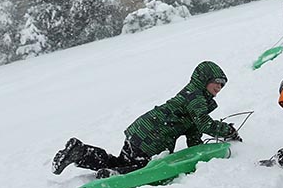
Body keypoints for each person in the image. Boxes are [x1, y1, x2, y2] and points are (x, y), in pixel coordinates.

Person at [51, 61, 241, 179]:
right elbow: (204, 124)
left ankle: (81, 152)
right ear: (204, 79)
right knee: (145, 167)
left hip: (142, 130)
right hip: (153, 136)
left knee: (118, 160)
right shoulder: (196, 98)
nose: (220, 87)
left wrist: (198, 151)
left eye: (223, 85)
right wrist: (228, 131)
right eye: (217, 82)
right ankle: (114, 175)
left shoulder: (193, 97)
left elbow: (194, 131)